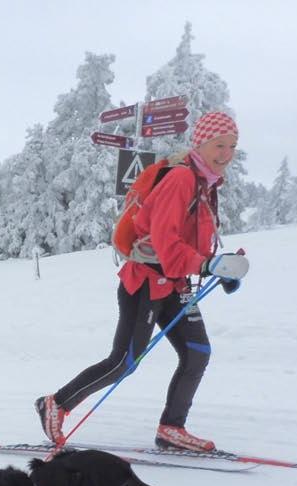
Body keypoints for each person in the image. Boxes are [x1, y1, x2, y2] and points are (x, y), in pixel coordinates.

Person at [35, 111, 249, 452]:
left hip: (176, 285)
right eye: (219, 145)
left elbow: (190, 244)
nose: (226, 153)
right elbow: (167, 247)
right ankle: (56, 404)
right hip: (147, 283)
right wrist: (209, 265)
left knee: (197, 353)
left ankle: (171, 429)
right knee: (123, 362)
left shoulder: (205, 184)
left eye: (232, 146)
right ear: (201, 144)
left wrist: (220, 270)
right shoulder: (181, 180)